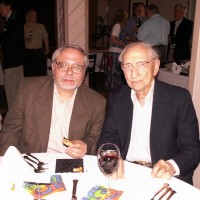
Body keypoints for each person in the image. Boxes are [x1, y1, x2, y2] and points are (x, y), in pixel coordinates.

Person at [97, 42, 200, 185]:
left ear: (156, 66)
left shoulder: (179, 98)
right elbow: (108, 137)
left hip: (162, 177)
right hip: (126, 172)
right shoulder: (117, 98)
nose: (134, 73)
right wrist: (112, 157)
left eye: (141, 64)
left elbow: (192, 149)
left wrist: (171, 166)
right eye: (128, 66)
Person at [0, 44, 106, 158]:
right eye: (63, 65)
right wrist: (6, 162)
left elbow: (94, 139)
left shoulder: (97, 102)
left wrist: (86, 147)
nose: (69, 72)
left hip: (71, 163)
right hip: (32, 160)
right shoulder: (28, 90)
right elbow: (10, 131)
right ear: (53, 67)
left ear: (84, 71)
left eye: (77, 67)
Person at [0, 0, 25, 108]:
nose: (0, 10)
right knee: (18, 91)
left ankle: (13, 121)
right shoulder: (13, 20)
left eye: (1, 7)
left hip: (12, 62)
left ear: (8, 7)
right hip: (17, 62)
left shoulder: (13, 20)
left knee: (12, 93)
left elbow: (10, 40)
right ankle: (19, 118)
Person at [106, 9, 128, 90]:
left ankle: (114, 88)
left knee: (115, 72)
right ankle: (114, 88)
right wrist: (124, 43)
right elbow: (113, 39)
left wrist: (126, 38)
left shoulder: (118, 26)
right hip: (115, 51)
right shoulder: (117, 26)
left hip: (116, 51)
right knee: (115, 72)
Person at [24, 9, 49, 77]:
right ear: (28, 16)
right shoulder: (24, 27)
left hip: (39, 53)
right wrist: (26, 39)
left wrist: (47, 50)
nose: (35, 16)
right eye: (33, 15)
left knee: (41, 73)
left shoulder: (41, 26)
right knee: (29, 74)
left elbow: (45, 38)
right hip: (28, 53)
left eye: (36, 15)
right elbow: (20, 41)